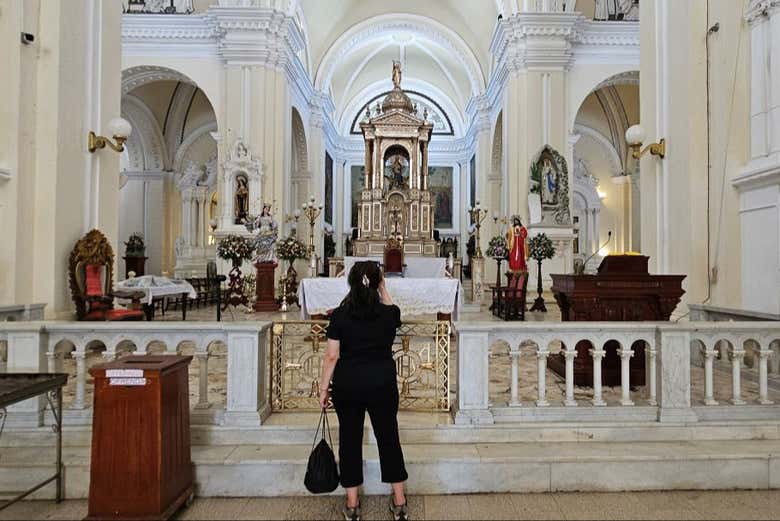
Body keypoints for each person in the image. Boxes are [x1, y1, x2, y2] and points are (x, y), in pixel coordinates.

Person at [319, 261, 409, 521]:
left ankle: (352, 503)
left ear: (352, 284)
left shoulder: (339, 315)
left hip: (348, 385)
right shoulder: (389, 314)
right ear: (378, 283)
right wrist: (382, 287)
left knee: (349, 440)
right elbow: (393, 309)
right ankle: (400, 501)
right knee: (389, 438)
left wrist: (324, 387)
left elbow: (332, 356)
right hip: (382, 383)